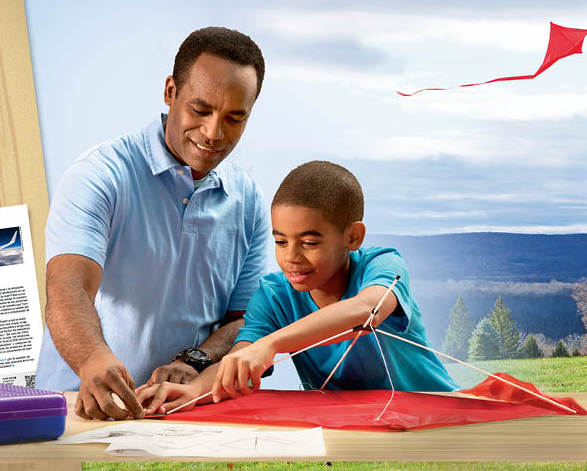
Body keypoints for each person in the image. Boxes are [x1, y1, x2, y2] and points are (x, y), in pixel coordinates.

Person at [34, 27, 271, 421]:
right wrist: (93, 358)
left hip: (179, 417)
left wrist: (197, 359)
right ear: (170, 92)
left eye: (234, 118)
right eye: (200, 109)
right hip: (76, 410)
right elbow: (66, 288)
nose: (214, 133)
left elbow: (245, 321)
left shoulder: (249, 201)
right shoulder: (99, 174)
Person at [137, 161, 459, 414]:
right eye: (280, 241)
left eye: (308, 242)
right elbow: (239, 358)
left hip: (439, 416)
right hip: (355, 425)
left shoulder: (382, 265)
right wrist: (193, 391)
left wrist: (272, 344)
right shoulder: (274, 294)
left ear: (353, 237)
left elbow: (367, 311)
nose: (291, 257)